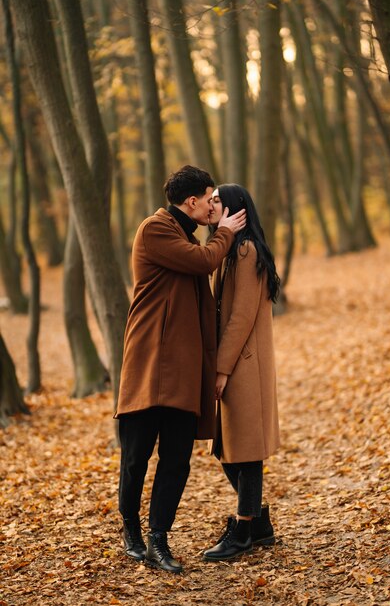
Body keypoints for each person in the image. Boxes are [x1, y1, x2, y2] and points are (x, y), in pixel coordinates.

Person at [115, 166, 246, 574]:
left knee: (176, 459)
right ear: (192, 202)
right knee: (136, 457)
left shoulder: (183, 233)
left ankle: (158, 540)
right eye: (210, 198)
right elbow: (204, 261)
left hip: (183, 370)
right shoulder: (155, 230)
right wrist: (224, 231)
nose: (214, 205)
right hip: (149, 363)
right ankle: (132, 531)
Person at [202, 183, 281, 562]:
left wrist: (221, 370)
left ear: (236, 208)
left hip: (244, 365)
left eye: (218, 200)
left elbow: (240, 317)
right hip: (237, 363)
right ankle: (259, 522)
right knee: (226, 448)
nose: (212, 205)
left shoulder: (246, 251)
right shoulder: (232, 250)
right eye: (211, 200)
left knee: (245, 452)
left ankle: (244, 530)